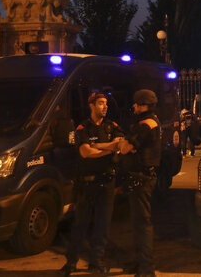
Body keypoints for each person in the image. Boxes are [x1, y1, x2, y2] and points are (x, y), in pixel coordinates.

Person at [62, 93, 124, 275]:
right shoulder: (82, 128)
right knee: (80, 224)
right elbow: (85, 152)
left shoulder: (112, 126)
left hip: (107, 183)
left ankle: (96, 262)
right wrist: (109, 146)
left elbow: (119, 145)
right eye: (100, 103)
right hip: (87, 184)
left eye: (106, 104)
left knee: (102, 226)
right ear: (92, 105)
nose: (105, 107)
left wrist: (99, 146)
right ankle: (71, 263)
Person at [119, 90, 163, 277]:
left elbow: (125, 148)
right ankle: (140, 263)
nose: (134, 107)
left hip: (141, 179)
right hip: (143, 178)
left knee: (142, 224)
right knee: (138, 223)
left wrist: (121, 142)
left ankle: (146, 269)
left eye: (136, 104)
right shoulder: (153, 121)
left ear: (143, 105)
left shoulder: (145, 124)